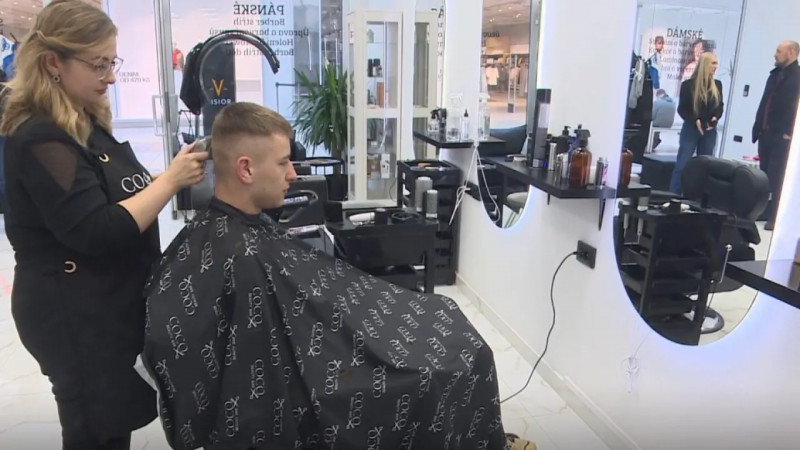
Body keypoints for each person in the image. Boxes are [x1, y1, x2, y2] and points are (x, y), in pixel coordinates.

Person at [142, 102, 515, 450]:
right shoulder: (234, 254)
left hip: (320, 348)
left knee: (445, 319)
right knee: (459, 362)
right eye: (284, 163)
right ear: (246, 170)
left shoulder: (232, 237)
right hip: (302, 389)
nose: (293, 174)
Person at [0, 2, 209, 449]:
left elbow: (110, 193)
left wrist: (173, 174)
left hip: (105, 302)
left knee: (113, 423)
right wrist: (170, 182)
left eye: (112, 62)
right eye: (98, 65)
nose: (110, 77)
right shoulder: (39, 135)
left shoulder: (82, 120)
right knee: (95, 431)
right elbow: (96, 229)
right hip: (72, 314)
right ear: (53, 63)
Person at [752, 40, 800, 231]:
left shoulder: (797, 77)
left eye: (779, 51)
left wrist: (789, 132)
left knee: (777, 177)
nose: (775, 54)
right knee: (764, 175)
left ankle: (776, 215)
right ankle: (763, 210)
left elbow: (793, 108)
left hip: (782, 136)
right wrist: (758, 127)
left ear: (791, 53)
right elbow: (766, 102)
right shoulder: (774, 75)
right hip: (766, 133)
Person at [669, 52, 724, 194]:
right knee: (682, 164)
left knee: (706, 167)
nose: (716, 66)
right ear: (705, 64)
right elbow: (682, 109)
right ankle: (673, 196)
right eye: (713, 63)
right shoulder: (688, 85)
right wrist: (695, 120)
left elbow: (719, 107)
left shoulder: (717, 85)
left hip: (709, 130)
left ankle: (699, 198)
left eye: (716, 63)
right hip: (691, 129)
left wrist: (715, 118)